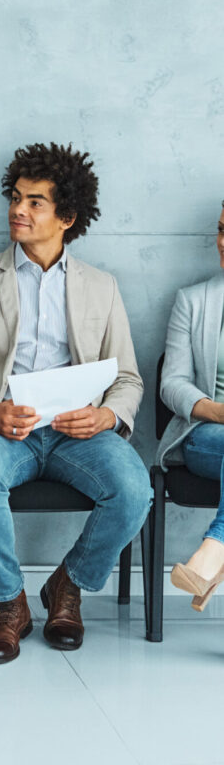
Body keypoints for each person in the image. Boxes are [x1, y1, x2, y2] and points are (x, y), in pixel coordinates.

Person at [0, 142, 152, 664]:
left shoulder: (101, 287)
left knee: (133, 489)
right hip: (2, 428)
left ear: (67, 217)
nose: (18, 209)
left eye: (35, 202)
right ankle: (10, 604)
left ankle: (67, 586)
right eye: (15, 198)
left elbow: (127, 378)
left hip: (79, 433)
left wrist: (107, 415)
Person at [158, 200, 224, 609]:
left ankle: (214, 553)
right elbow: (172, 384)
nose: (223, 241)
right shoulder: (194, 301)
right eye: (221, 229)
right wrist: (217, 411)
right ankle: (217, 547)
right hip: (206, 435)